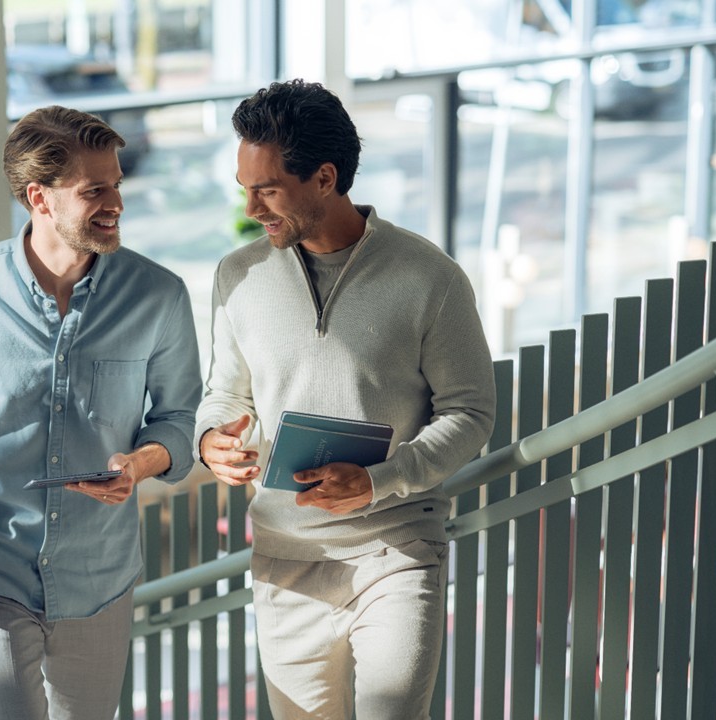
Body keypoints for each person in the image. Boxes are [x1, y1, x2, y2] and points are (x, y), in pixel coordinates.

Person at [0, 105, 202, 720]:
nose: (117, 203)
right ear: (41, 198)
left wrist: (139, 464)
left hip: (99, 574)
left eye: (117, 184)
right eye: (95, 191)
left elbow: (179, 418)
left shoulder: (158, 296)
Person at [196, 79, 496, 720]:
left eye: (267, 189)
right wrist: (212, 438)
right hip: (285, 559)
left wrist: (382, 481)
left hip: (396, 550)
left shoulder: (429, 278)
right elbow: (224, 391)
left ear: (325, 177)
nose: (251, 206)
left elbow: (471, 413)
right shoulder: (237, 275)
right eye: (244, 186)